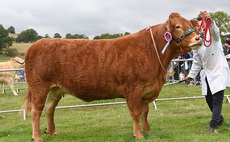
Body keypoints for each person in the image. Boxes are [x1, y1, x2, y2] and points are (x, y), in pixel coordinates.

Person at [185, 13, 230, 133]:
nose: (202, 27)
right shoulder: (197, 43)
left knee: (217, 100)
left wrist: (212, 22)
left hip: (218, 71)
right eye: (199, 26)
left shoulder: (213, 37)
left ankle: (213, 125)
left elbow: (215, 31)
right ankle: (219, 119)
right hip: (207, 74)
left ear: (206, 24)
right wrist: (191, 75)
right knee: (208, 99)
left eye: (203, 24)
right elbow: (196, 62)